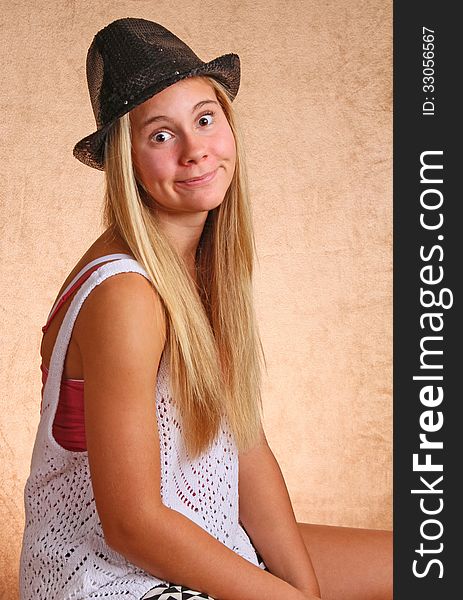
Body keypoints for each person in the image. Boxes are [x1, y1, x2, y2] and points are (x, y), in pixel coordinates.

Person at [19, 17, 392, 600]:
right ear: (126, 158)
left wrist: (305, 591)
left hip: (204, 536)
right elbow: (131, 523)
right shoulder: (126, 294)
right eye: (160, 135)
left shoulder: (200, 269)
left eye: (204, 118)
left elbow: (244, 446)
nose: (196, 150)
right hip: (115, 580)